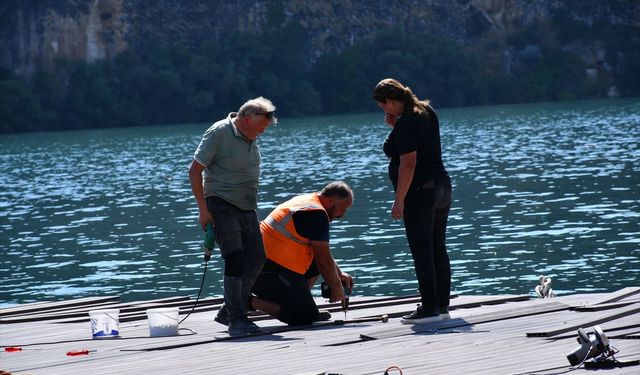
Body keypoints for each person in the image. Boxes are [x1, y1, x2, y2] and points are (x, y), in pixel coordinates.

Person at [188, 97, 276, 336]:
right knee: (235, 258)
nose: (261, 133)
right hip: (221, 203)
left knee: (257, 257)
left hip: (246, 206)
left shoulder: (250, 136)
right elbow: (195, 171)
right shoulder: (219, 133)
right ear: (247, 120)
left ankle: (228, 309)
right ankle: (237, 319)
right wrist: (202, 209)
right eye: (260, 128)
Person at [373, 78, 453, 324]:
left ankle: (428, 308)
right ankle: (441, 304)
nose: (384, 111)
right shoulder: (425, 111)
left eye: (383, 106)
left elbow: (409, 163)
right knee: (437, 246)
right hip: (442, 187)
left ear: (389, 102)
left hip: (421, 192)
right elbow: (422, 142)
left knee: (422, 250)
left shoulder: (408, 121)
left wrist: (400, 199)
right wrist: (395, 126)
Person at [250, 181, 355, 326]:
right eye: (342, 209)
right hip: (263, 272)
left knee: (318, 265)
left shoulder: (309, 202)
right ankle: (248, 302)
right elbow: (323, 260)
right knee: (306, 316)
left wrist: (339, 273)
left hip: (265, 265)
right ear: (330, 201)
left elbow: (322, 254)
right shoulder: (316, 214)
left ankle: (300, 303)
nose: (342, 215)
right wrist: (336, 286)